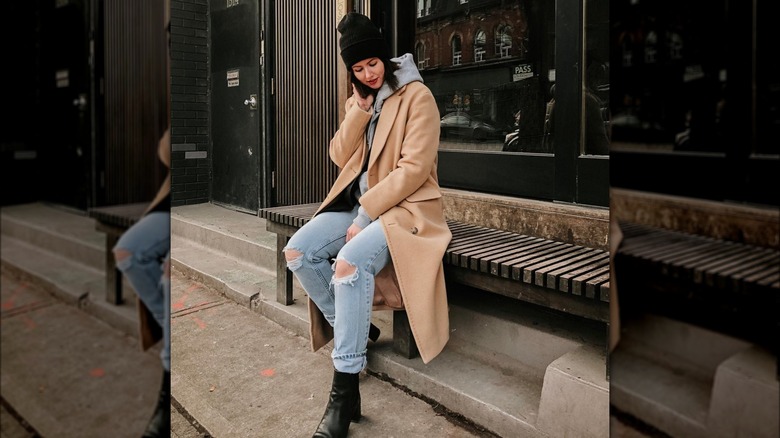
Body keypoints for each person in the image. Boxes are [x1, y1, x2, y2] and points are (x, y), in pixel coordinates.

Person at [282, 12, 452, 438]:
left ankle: (344, 393)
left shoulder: (417, 97)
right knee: (299, 252)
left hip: (406, 208)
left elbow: (414, 169)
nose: (368, 74)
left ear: (384, 57)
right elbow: (339, 155)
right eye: (357, 69)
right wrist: (359, 111)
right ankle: (354, 329)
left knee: (349, 264)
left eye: (372, 64)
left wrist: (364, 216)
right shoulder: (361, 99)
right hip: (359, 205)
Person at [112, 127, 171, 438]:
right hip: (170, 206)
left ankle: (166, 395)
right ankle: (171, 326)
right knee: (128, 251)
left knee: (171, 277)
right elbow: (166, 151)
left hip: (194, 205)